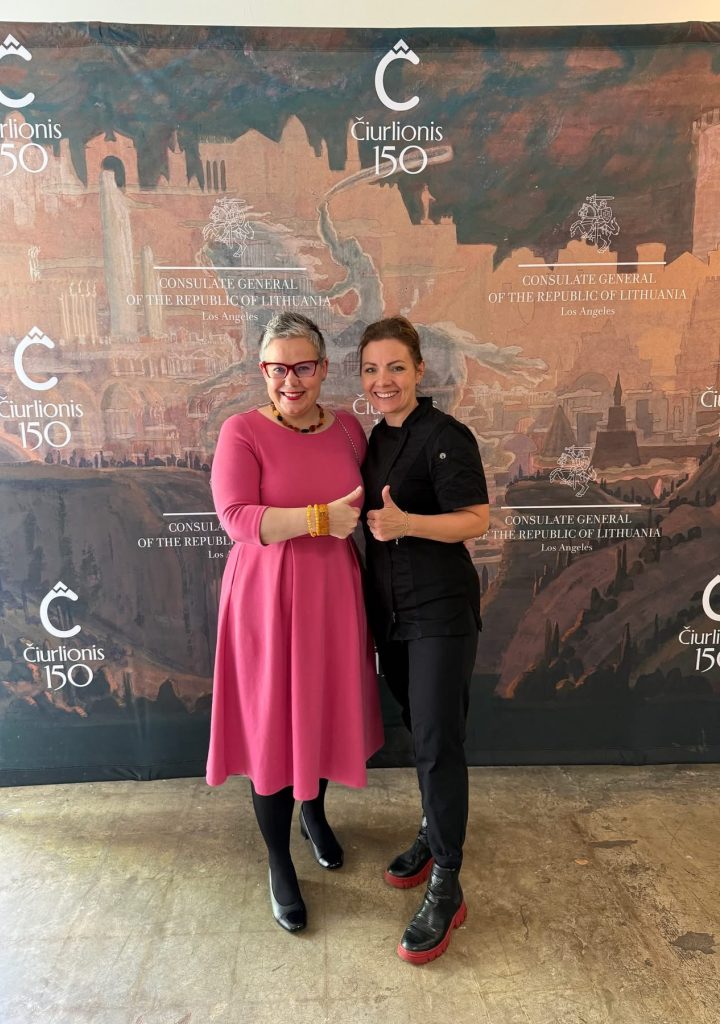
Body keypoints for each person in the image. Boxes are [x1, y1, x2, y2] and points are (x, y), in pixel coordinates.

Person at [206, 311, 383, 933]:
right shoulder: (242, 431)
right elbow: (236, 517)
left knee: (320, 711)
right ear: (263, 371)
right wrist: (316, 520)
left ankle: (313, 813)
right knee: (272, 727)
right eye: (277, 368)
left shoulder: (350, 430)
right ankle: (279, 860)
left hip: (333, 594)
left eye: (303, 367)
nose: (290, 380)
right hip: (266, 598)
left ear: (324, 368)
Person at [359, 315, 489, 965]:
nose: (383, 380)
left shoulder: (445, 436)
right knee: (420, 729)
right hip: (393, 617)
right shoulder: (375, 439)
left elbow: (477, 519)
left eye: (395, 367)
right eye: (371, 369)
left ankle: (448, 883)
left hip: (440, 612)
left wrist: (408, 522)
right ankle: (433, 831)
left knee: (438, 744)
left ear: (419, 370)